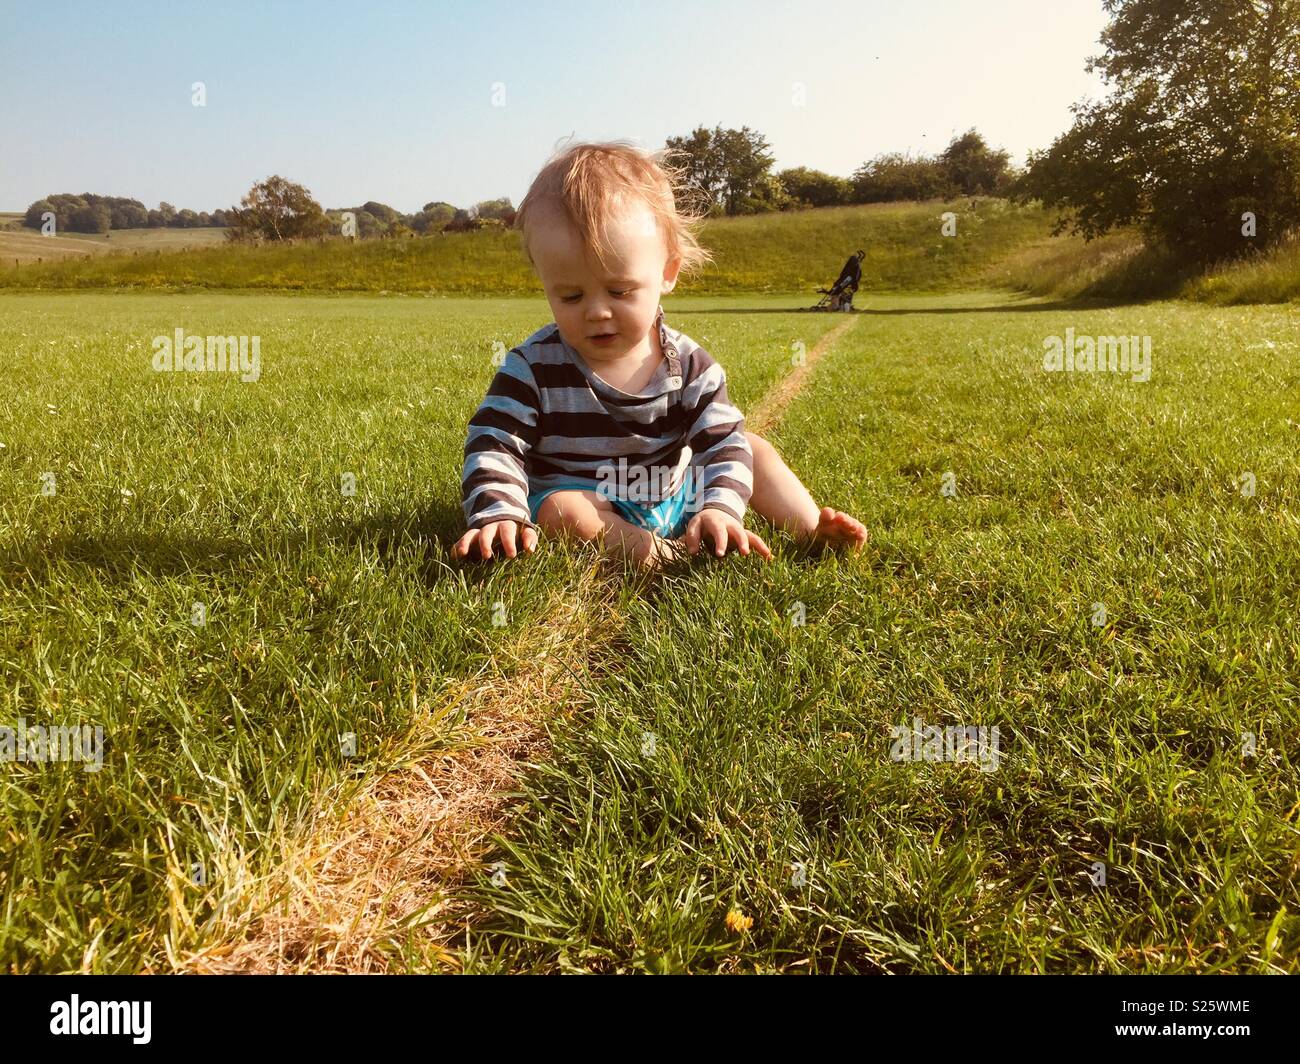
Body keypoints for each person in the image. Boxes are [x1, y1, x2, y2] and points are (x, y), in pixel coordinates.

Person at [452, 141, 868, 567]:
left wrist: (719, 507)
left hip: (674, 495)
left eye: (620, 291)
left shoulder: (688, 365)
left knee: (751, 446)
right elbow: (493, 442)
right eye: (571, 295)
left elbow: (720, 443)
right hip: (591, 505)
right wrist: (500, 511)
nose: (597, 311)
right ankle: (662, 556)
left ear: (668, 272)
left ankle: (810, 527)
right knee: (563, 511)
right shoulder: (534, 367)